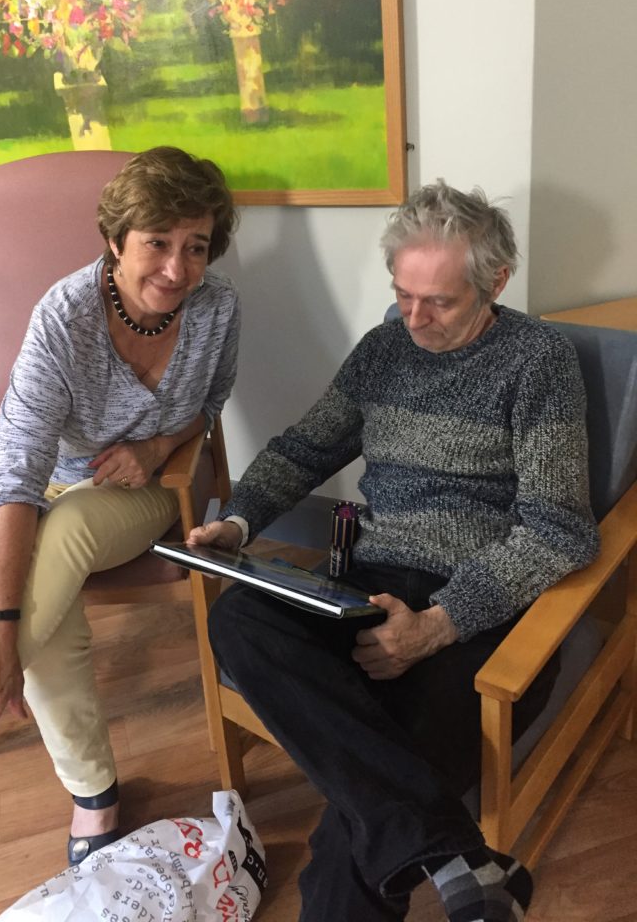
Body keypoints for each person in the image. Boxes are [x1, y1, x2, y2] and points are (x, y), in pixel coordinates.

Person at [189, 180, 600, 922]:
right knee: (240, 621)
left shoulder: (538, 362)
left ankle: (438, 856)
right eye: (401, 294)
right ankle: (460, 857)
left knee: (369, 794)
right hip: (371, 581)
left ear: (495, 281)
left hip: (484, 608)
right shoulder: (384, 351)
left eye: (437, 301)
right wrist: (241, 521)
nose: (413, 317)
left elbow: (558, 528)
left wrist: (437, 624)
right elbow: (307, 447)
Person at [0, 146, 241, 881]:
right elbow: (13, 470)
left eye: (196, 247)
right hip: (28, 487)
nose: (177, 268)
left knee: (65, 535)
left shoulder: (217, 309)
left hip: (130, 494)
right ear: (115, 241)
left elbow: (209, 405)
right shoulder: (63, 317)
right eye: (157, 243)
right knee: (49, 600)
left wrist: (159, 442)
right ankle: (94, 796)